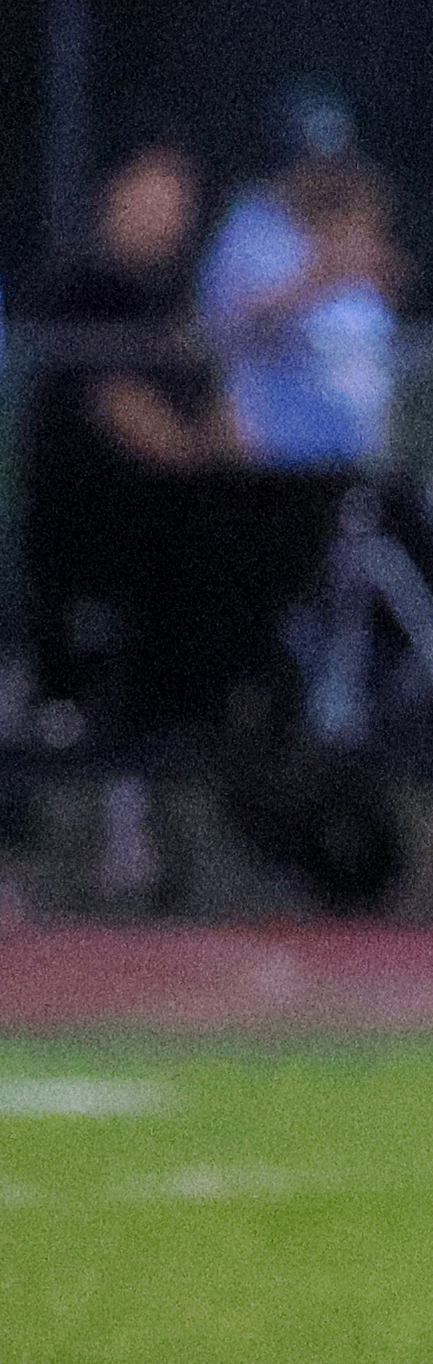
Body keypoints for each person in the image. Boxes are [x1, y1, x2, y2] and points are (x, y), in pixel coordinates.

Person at [14, 139, 232, 898]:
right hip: (82, 543)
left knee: (155, 706)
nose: (166, 214)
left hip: (157, 552)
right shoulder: (88, 287)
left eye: (179, 200)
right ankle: (66, 868)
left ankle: (143, 866)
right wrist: (206, 464)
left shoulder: (174, 298)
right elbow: (125, 410)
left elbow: (214, 406)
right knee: (68, 703)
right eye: (151, 193)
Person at [197, 90, 404, 478]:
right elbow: (225, 326)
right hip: (274, 451)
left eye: (333, 163)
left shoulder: (353, 222)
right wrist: (321, 277)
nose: (325, 175)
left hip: (353, 450)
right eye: (313, 162)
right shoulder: (251, 226)